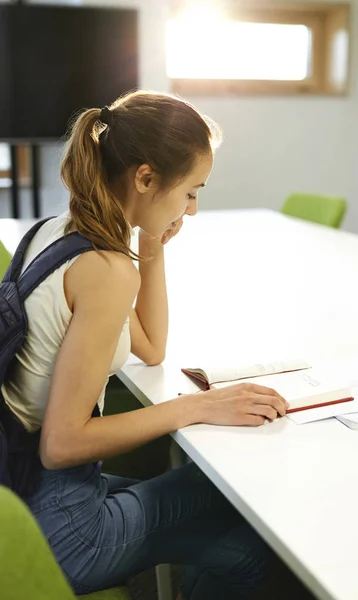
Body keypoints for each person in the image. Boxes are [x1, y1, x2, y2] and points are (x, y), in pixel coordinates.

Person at [1, 91, 289, 599]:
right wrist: (198, 406)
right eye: (192, 191)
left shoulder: (57, 232)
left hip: (21, 493)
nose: (193, 210)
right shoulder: (105, 271)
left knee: (244, 552)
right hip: (66, 525)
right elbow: (62, 444)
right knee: (245, 501)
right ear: (146, 178)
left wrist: (150, 249)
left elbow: (152, 347)